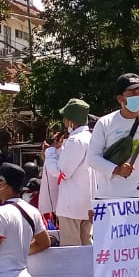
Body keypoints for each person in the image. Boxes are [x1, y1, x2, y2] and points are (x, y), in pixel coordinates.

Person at [52, 99, 97, 245]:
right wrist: (60, 150)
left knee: (71, 251)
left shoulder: (75, 141)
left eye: (65, 118)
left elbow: (62, 172)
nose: (64, 121)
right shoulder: (91, 138)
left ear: (71, 120)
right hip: (88, 204)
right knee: (87, 248)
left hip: (71, 206)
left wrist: (51, 153)